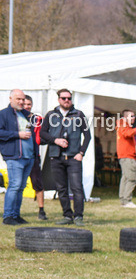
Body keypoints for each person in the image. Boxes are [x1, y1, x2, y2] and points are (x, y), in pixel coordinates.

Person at [40, 89, 92, 225]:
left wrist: (81, 153)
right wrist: (55, 140)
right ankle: (67, 216)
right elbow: (42, 133)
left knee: (76, 188)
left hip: (74, 157)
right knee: (61, 188)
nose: (67, 100)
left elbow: (87, 136)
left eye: (69, 98)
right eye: (64, 98)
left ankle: (78, 216)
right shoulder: (51, 115)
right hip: (56, 157)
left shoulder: (78, 114)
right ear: (59, 99)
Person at [0, 89, 35, 225]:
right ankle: (8, 216)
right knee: (14, 185)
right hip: (15, 156)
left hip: (28, 157)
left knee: (20, 187)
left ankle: (15, 215)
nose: (21, 102)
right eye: (18, 99)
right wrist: (17, 134)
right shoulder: (3, 114)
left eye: (23, 99)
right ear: (10, 99)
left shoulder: (26, 114)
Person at [22, 95, 47, 220]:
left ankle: (41, 210)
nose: (27, 106)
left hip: (33, 156)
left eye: (29, 104)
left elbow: (44, 136)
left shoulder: (37, 119)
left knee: (37, 183)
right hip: (19, 156)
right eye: (25, 104)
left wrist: (41, 139)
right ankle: (14, 211)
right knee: (17, 185)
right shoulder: (16, 117)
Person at [117, 109, 136, 208]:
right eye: (132, 116)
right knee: (131, 179)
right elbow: (127, 133)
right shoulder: (123, 124)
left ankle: (123, 200)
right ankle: (127, 200)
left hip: (125, 156)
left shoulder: (123, 125)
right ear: (126, 117)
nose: (134, 118)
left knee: (125, 178)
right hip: (127, 156)